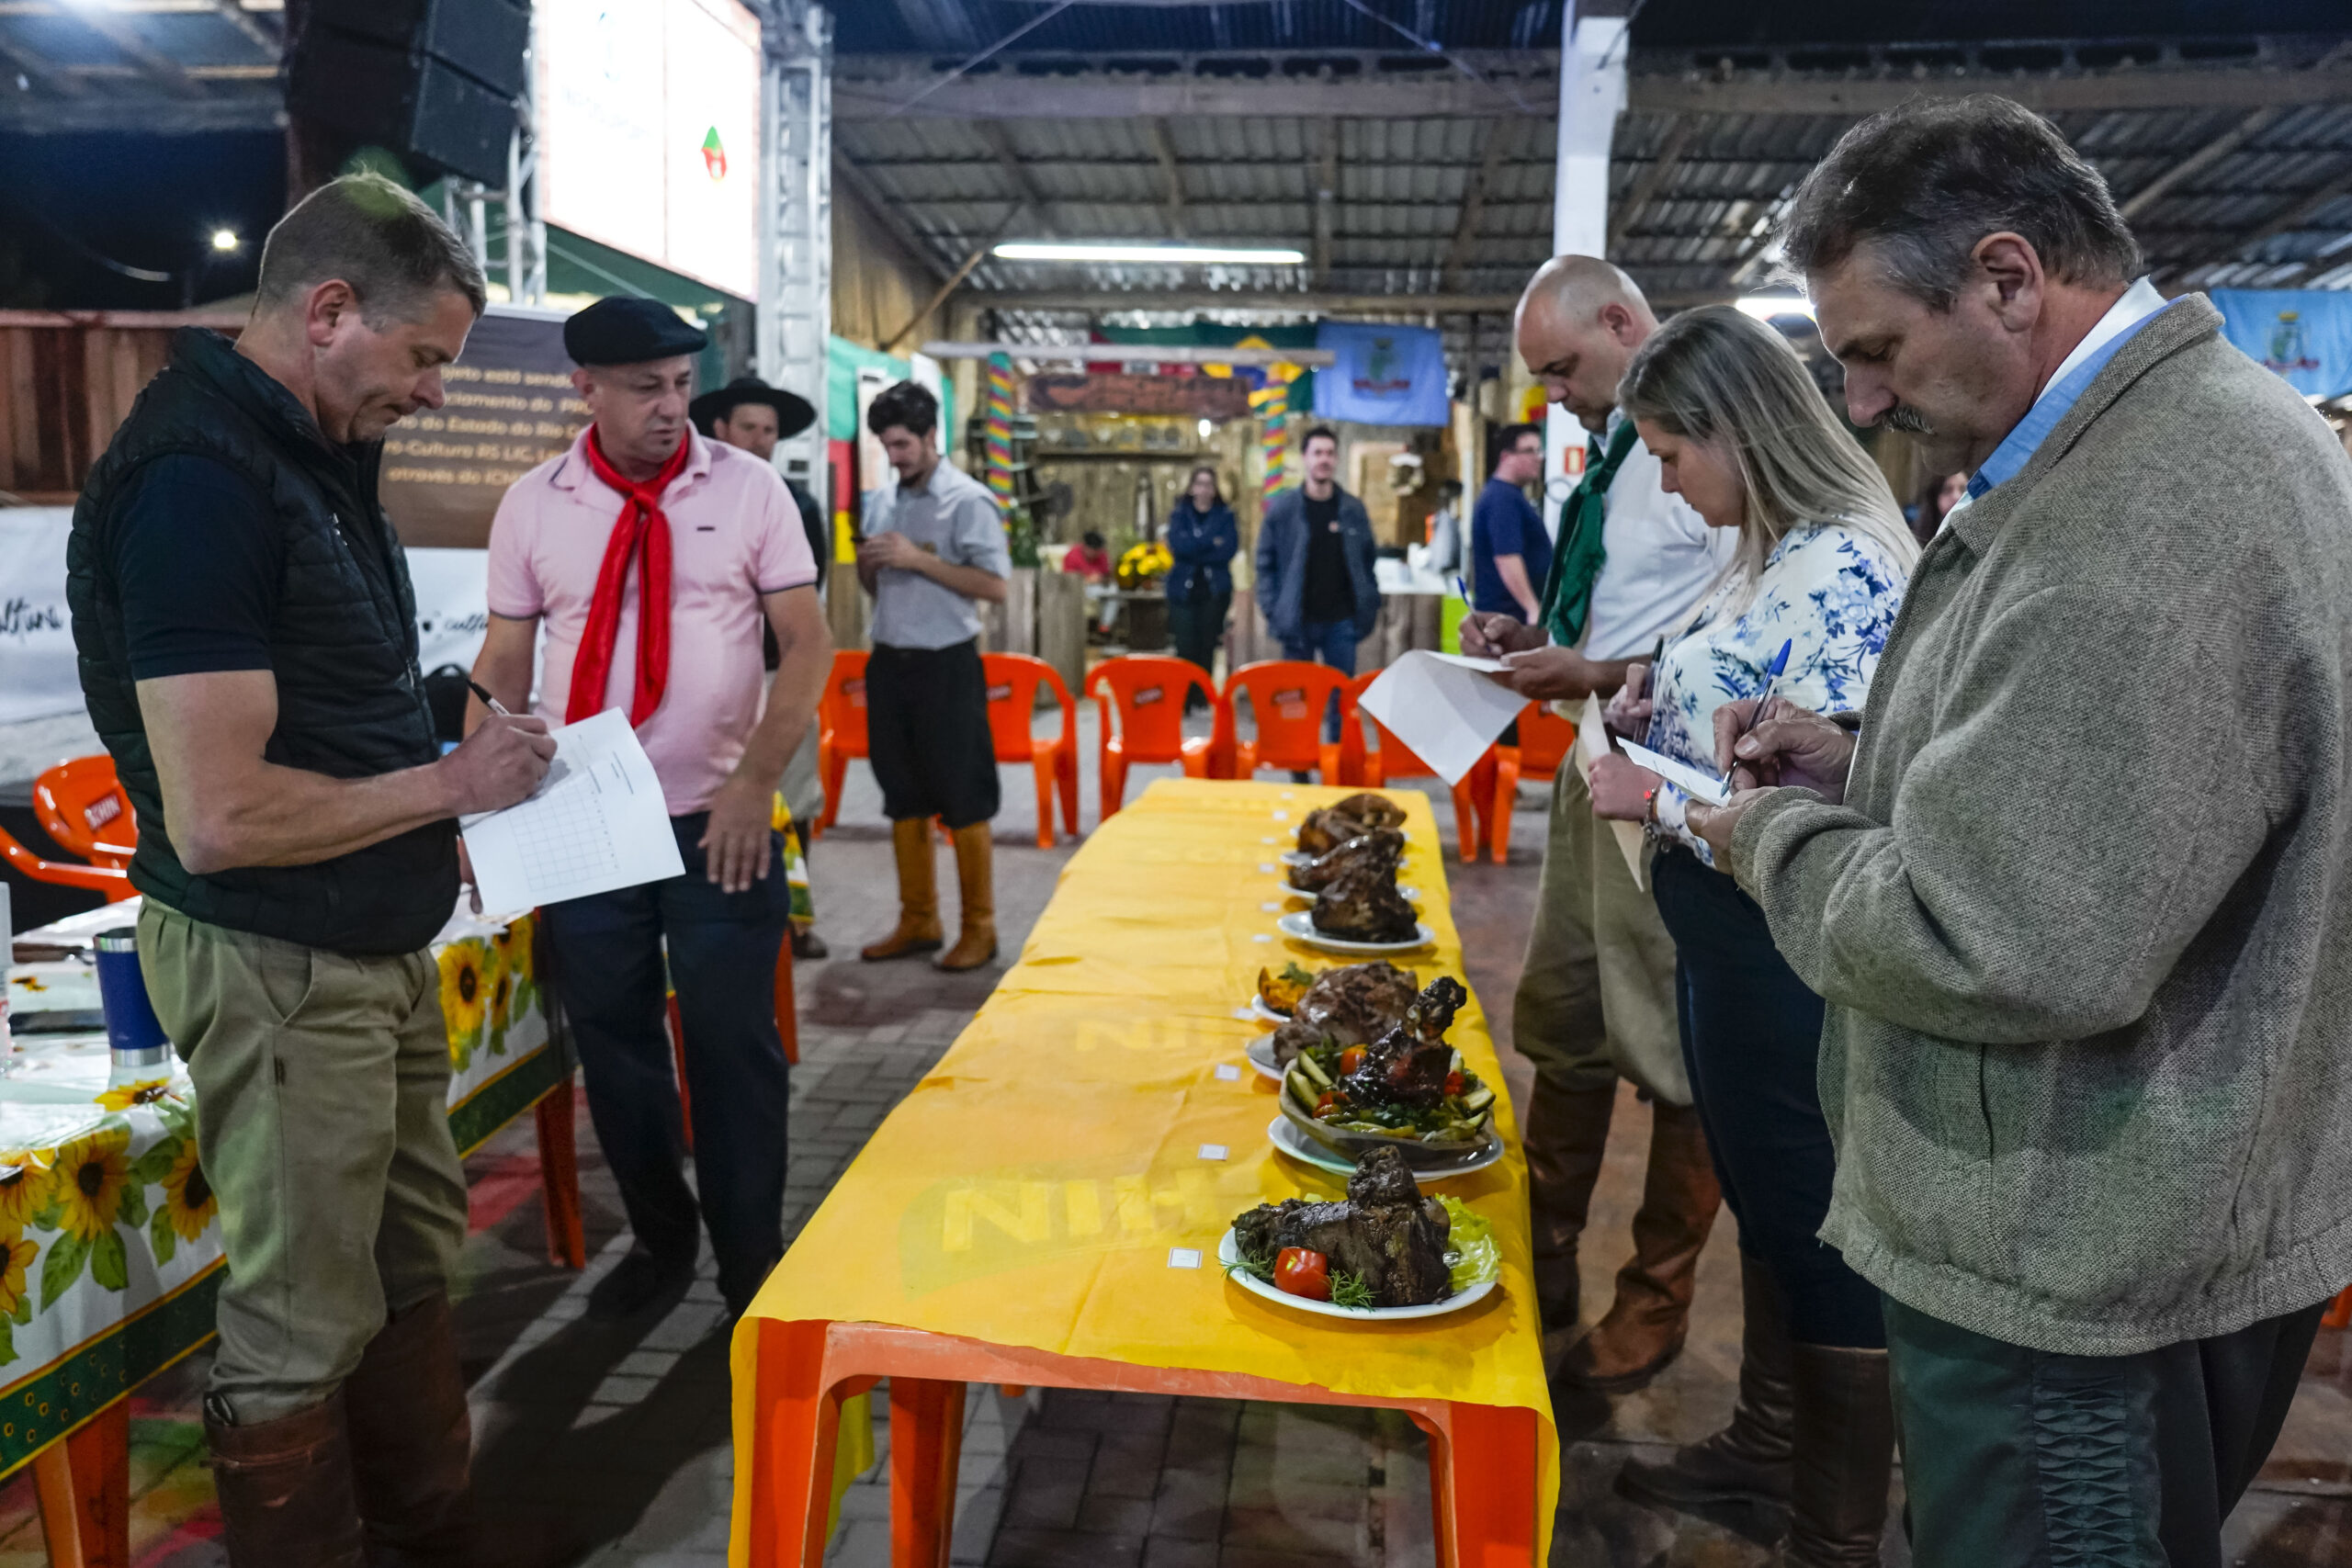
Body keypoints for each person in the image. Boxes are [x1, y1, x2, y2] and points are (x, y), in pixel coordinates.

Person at [1685, 96, 2352, 1567]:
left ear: (2007, 275)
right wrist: (1873, 763)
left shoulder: (2153, 507)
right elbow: (2126, 802)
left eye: (1873, 350)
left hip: (2070, 1261)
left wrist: (1768, 833)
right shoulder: (2164, 452)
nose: (1861, 402)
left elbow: (1996, 938)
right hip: (2128, 1220)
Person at [66, 174, 558, 1564]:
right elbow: (219, 812)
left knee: (407, 1262)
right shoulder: (197, 484)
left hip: (364, 941)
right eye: (427, 359)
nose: (439, 394)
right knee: (301, 1313)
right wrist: (451, 787)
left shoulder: (307, 453)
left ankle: (426, 1525)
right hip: (278, 951)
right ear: (329, 310)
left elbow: (322, 689)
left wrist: (440, 705)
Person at [1580, 306, 1917, 1561]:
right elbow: (1740, 712)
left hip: (1787, 941)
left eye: (1673, 451)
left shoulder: (1843, 563)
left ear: (1740, 428)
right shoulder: (1769, 545)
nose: (1666, 480)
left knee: (1818, 1220)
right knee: (1774, 1210)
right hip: (1729, 930)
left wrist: (1653, 791)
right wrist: (1650, 698)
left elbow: (1829, 794)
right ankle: (1770, 1446)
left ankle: (1830, 1531)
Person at [471, 298, 831, 1325]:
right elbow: (504, 661)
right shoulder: (534, 505)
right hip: (582, 820)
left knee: (731, 1048)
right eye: (645, 388)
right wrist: (476, 803)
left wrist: (757, 783)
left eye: (680, 384)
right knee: (617, 1048)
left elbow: (806, 645)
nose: (671, 407)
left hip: (721, 820)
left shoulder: (752, 490)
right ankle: (661, 1240)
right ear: (583, 388)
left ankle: (751, 1263)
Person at [1462, 255, 1737, 1390]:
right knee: (1564, 1014)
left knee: (1675, 1049)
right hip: (1593, 759)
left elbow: (1738, 636)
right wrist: (1536, 647)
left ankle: (1656, 1297)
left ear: (1625, 321)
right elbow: (1623, 602)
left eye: (1564, 368)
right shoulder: (1620, 451)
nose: (1554, 396)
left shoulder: (1713, 445)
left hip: (1675, 786)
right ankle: (1547, 1248)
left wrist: (1597, 664)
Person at [855, 380, 1010, 971]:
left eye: (902, 445)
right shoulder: (881, 502)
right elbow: (879, 587)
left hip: (947, 664)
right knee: (901, 793)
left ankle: (981, 928)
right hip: (889, 662)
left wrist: (919, 559)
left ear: (929, 436)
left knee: (964, 795)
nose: (895, 457)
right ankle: (918, 920)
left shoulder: (968, 501)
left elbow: (995, 587)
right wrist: (874, 568)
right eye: (886, 447)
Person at [691, 374, 832, 961]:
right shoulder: (689, 494)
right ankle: (711, 907)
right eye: (749, 427)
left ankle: (796, 917)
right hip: (705, 679)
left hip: (777, 676)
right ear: (720, 429)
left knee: (792, 799)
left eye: (770, 431)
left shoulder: (797, 504)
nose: (760, 439)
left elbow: (808, 590)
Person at [1254, 426, 1379, 738]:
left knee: (1342, 698)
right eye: (1317, 453)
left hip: (1342, 622)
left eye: (1329, 453)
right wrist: (1273, 609)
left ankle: (1335, 765)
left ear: (1336, 459)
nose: (1323, 460)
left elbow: (1368, 561)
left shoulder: (1352, 509)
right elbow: (1264, 563)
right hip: (1298, 622)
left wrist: (1368, 603)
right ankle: (1300, 768)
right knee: (1297, 699)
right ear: (1305, 459)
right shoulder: (1283, 510)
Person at [1164, 465, 1239, 704]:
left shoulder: (1225, 516)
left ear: (1214, 488)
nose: (1204, 489)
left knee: (1207, 643)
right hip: (1183, 591)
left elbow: (1227, 550)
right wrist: (1209, 542)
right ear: (1192, 488)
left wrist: (1195, 545)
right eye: (1199, 484)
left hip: (1214, 591)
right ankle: (1184, 694)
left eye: (1208, 484)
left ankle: (1202, 694)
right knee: (1185, 644)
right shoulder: (1179, 515)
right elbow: (1178, 546)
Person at [1468, 422, 1549, 621]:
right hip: (1507, 618)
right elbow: (1506, 558)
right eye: (1529, 451)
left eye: (1539, 450)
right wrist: (1532, 608)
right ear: (1506, 457)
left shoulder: (1510, 495)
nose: (1538, 458)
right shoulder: (1502, 499)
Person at [1910, 468, 1967, 546]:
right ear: (1934, 497)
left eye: (1963, 490)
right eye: (1947, 490)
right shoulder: (1918, 540)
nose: (1957, 497)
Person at [1419, 478, 1464, 576]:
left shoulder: (1452, 521)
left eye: (1445, 498)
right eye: (1441, 497)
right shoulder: (1441, 518)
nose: (1441, 501)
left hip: (1453, 571)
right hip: (1441, 571)